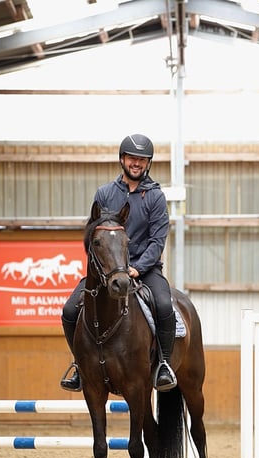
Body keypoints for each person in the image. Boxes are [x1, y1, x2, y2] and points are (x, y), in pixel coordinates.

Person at [60, 133, 177, 393]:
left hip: (143, 270)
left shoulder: (155, 197)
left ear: (148, 164)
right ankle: (80, 365)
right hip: (107, 272)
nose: (136, 163)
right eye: (132, 158)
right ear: (122, 159)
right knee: (69, 311)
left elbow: (158, 240)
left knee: (164, 304)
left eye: (142, 160)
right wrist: (102, 268)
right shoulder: (104, 194)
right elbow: (91, 235)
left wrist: (138, 267)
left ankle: (164, 366)